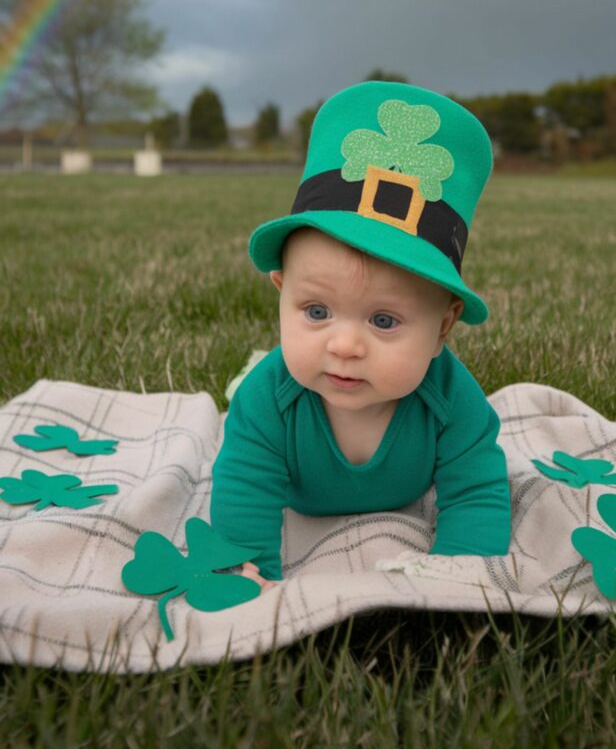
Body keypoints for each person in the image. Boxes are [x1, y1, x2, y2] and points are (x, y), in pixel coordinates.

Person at [211, 80, 511, 590]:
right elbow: (244, 487)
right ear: (281, 292)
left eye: (384, 321)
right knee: (246, 392)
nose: (344, 345)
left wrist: (458, 576)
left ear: (443, 327)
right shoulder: (269, 399)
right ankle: (245, 369)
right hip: (276, 442)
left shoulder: (453, 400)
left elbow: (478, 491)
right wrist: (249, 573)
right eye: (317, 311)